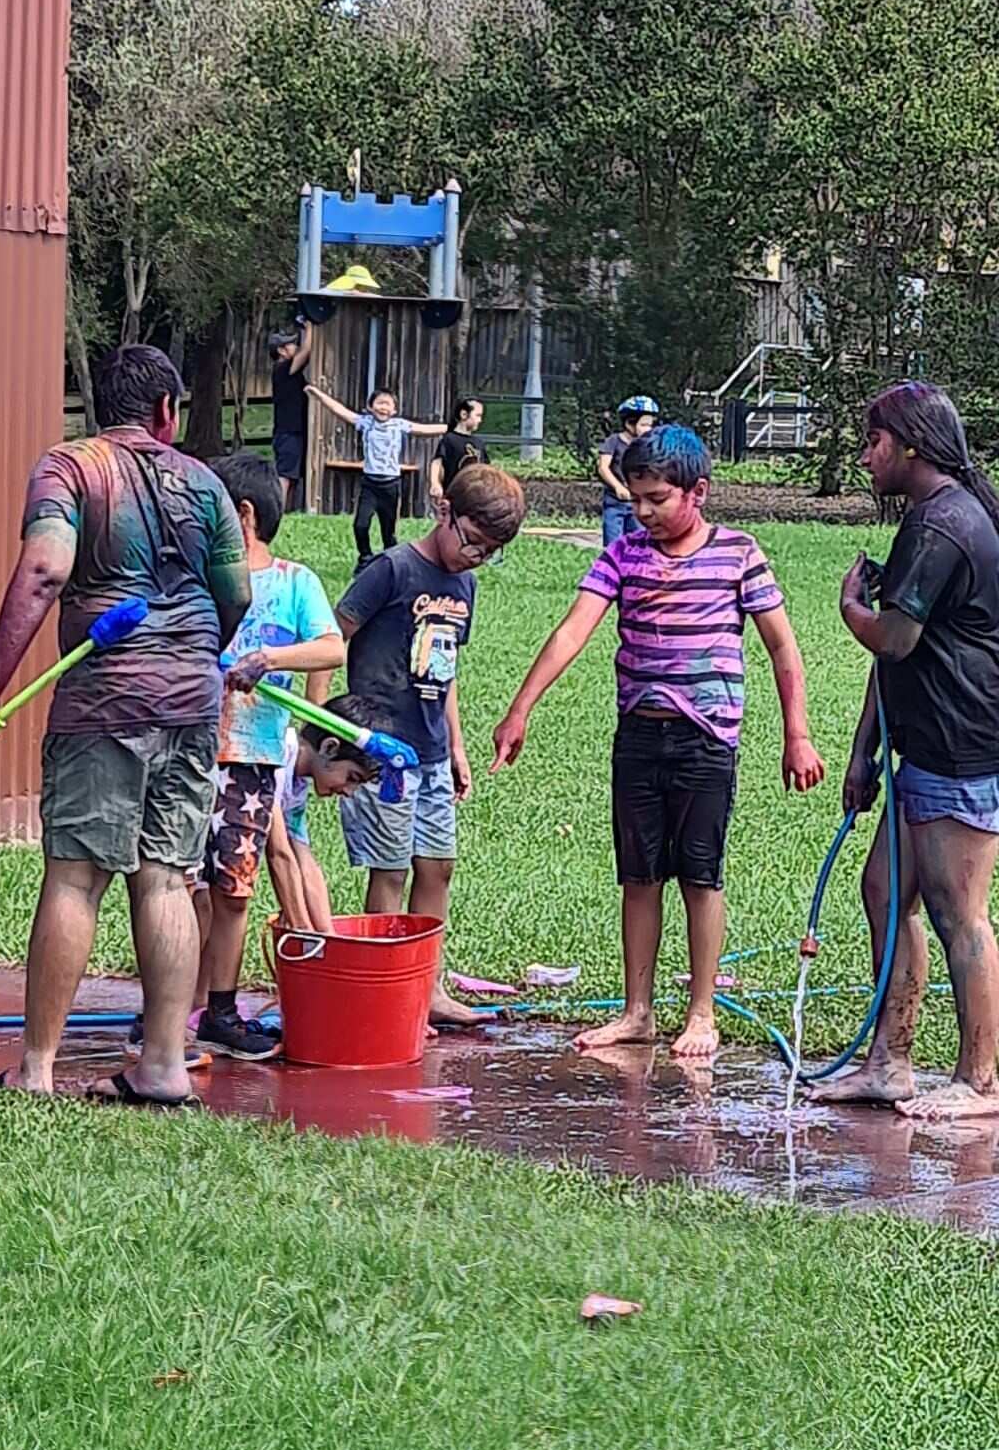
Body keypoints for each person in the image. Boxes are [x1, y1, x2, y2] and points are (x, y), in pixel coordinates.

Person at [0, 344, 251, 1104]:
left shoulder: (69, 468)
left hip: (105, 702)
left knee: (78, 878)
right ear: (165, 413)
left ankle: (37, 1070)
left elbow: (46, 569)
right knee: (165, 876)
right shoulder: (207, 484)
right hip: (190, 701)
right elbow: (237, 595)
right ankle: (164, 1065)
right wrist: (192, 652)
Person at [492, 424, 824, 1060]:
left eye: (656, 499)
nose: (641, 511)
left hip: (706, 740)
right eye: (635, 498)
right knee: (639, 875)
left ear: (697, 492)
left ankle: (701, 1013)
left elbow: (782, 647)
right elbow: (572, 632)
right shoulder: (624, 556)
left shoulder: (739, 554)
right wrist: (520, 709)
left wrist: (797, 734)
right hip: (639, 736)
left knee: (700, 874)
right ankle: (637, 1011)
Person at [818, 382, 999, 1122]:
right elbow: (894, 660)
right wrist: (863, 753)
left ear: (912, 445)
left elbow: (893, 638)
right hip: (921, 744)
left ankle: (980, 1080)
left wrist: (849, 607)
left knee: (961, 913)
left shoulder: (944, 526)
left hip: (961, 745)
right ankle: (890, 1063)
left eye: (874, 442)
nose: (865, 458)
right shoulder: (932, 519)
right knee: (887, 894)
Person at [336, 464, 527, 1026]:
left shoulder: (463, 583)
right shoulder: (390, 569)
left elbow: (446, 670)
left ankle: (428, 989)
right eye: (473, 541)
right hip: (385, 750)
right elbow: (332, 637)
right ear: (445, 512)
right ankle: (381, 992)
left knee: (437, 865)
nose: (477, 556)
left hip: (433, 750)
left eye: (491, 551)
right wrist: (335, 728)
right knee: (390, 870)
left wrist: (458, 748)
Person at [188, 453, 344, 1060]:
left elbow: (330, 648)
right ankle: (169, 1007)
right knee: (179, 886)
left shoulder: (294, 582)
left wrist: (270, 660)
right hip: (190, 754)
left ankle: (220, 1012)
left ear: (242, 515)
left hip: (253, 761)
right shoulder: (200, 578)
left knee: (234, 890)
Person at [264, 695, 395, 937]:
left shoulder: (298, 781)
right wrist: (303, 930)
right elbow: (279, 855)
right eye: (352, 778)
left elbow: (304, 861)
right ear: (329, 748)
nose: (348, 791)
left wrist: (329, 936)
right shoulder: (276, 758)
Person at [304, 383, 448, 569]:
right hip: (370, 485)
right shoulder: (366, 423)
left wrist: (454, 427)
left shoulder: (399, 425)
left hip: (391, 485)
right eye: (379, 403)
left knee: (389, 533)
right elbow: (339, 410)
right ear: (370, 407)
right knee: (360, 525)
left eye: (388, 404)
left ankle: (392, 565)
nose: (383, 407)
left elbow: (425, 429)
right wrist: (316, 393)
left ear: (394, 410)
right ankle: (365, 558)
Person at [597, 395, 660, 547]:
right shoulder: (614, 442)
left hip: (637, 503)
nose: (648, 429)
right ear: (629, 424)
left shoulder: (645, 446)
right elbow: (603, 467)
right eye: (644, 425)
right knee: (613, 544)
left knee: (638, 542)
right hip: (615, 503)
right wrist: (618, 486)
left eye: (650, 425)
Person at [269, 321, 312, 511]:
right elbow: (306, 352)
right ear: (281, 351)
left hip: (292, 431)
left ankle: (288, 511)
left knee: (292, 476)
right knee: (285, 475)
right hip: (288, 432)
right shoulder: (283, 369)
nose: (295, 346)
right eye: (291, 344)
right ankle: (279, 511)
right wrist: (310, 329)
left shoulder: (285, 370)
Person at [429, 398, 488, 506]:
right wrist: (435, 483)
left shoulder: (479, 443)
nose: (480, 420)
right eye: (478, 415)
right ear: (464, 414)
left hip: (474, 495)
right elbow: (437, 463)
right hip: (453, 494)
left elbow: (485, 469)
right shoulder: (449, 440)